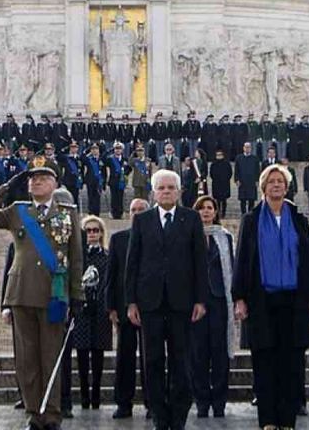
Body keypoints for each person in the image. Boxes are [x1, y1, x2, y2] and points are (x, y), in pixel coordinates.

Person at [0, 156, 84, 430]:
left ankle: (52, 413)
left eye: (43, 177)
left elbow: (76, 257)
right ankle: (33, 413)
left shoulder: (68, 211)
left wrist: (77, 294)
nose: (36, 181)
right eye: (32, 178)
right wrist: (5, 187)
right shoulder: (17, 210)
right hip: (21, 292)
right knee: (26, 360)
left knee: (51, 357)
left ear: (55, 183)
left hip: (54, 293)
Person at [233, 164, 309, 430]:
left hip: (294, 302)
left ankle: (287, 422)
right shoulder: (251, 220)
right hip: (262, 301)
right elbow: (242, 261)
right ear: (263, 187)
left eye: (280, 181)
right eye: (271, 181)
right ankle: (268, 422)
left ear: (287, 186)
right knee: (265, 364)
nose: (276, 185)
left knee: (291, 365)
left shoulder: (298, 218)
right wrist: (239, 297)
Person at [125, 169, 208, 430]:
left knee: (181, 362)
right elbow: (132, 263)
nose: (166, 192)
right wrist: (131, 302)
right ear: (153, 192)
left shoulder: (192, 219)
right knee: (152, 362)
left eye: (171, 187)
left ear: (180, 191)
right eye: (161, 188)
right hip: (149, 303)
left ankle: (179, 417)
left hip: (182, 303)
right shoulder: (142, 220)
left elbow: (200, 263)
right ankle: (159, 417)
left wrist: (200, 300)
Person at [189, 196, 233, 419]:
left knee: (219, 354)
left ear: (215, 212)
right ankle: (202, 402)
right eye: (201, 208)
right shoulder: (188, 236)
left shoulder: (225, 238)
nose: (205, 212)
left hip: (219, 302)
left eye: (209, 208)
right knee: (198, 355)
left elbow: (232, 270)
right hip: (195, 304)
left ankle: (219, 403)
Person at [109, 197, 151, 419]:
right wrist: (111, 308)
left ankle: (151, 403)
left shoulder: (155, 237)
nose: (136, 213)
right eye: (133, 209)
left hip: (150, 307)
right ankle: (123, 403)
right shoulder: (118, 239)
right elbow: (112, 275)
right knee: (124, 358)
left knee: (150, 358)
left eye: (141, 209)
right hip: (124, 307)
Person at [73, 216, 112, 410]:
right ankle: (83, 397)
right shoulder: (78, 257)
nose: (92, 234)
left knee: (98, 354)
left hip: (101, 311)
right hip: (81, 311)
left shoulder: (107, 256)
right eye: (88, 231)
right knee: (81, 355)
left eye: (96, 230)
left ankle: (96, 396)